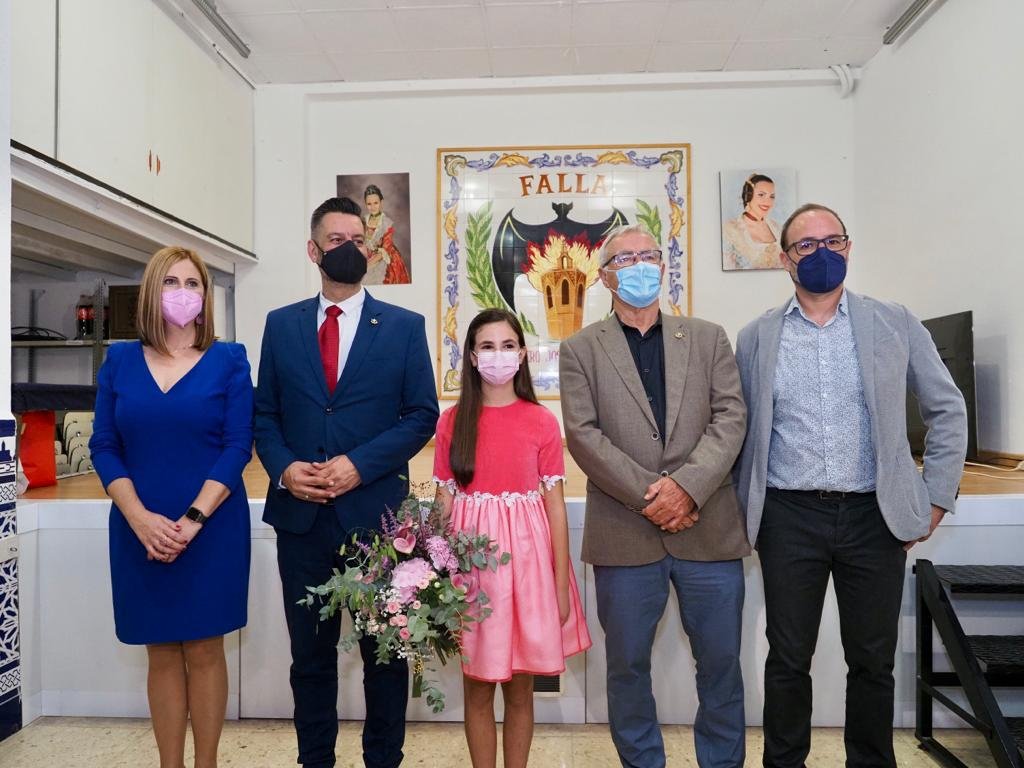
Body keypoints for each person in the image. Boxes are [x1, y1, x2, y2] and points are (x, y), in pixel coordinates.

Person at [732, 203, 968, 768]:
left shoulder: (894, 321)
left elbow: (947, 408)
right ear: (785, 259)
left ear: (848, 247)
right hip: (788, 517)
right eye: (806, 245)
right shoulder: (757, 336)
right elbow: (739, 429)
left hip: (873, 517)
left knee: (872, 661)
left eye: (833, 241)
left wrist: (936, 497)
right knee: (788, 658)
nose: (822, 253)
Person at [254, 196, 438, 768]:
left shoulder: (404, 327)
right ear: (314, 251)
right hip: (302, 521)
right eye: (337, 240)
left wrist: (359, 464)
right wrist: (285, 469)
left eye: (358, 240)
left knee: (385, 657)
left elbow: (421, 415)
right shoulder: (281, 325)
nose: (350, 249)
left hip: (377, 522)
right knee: (309, 660)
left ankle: (383, 760)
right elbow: (265, 415)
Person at [559, 223, 749, 768]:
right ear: (605, 277)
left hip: (708, 529)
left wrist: (686, 488)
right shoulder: (579, 349)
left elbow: (731, 418)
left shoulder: (708, 337)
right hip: (624, 534)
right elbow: (584, 435)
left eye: (648, 255)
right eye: (625, 259)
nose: (639, 265)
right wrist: (653, 498)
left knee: (721, 665)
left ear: (663, 268)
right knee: (626, 669)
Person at [90, 246, 254, 768]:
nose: (183, 292)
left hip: (211, 526)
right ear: (150, 293)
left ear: (206, 296)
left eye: (193, 283)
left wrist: (193, 520)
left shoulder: (230, 360)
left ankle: (206, 763)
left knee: (205, 648)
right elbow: (104, 445)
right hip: (138, 526)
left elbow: (238, 446)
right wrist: (139, 518)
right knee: (159, 649)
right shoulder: (119, 361)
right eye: (171, 282)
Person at [433, 308, 591, 768]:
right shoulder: (452, 422)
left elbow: (555, 507)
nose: (497, 355)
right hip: (471, 571)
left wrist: (560, 585)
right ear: (471, 356)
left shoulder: (541, 422)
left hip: (527, 569)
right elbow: (443, 504)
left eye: (507, 346)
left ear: (522, 355)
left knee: (521, 688)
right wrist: (431, 576)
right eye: (487, 346)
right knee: (478, 686)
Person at [722, 173, 782, 270]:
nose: (768, 202)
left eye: (772, 196)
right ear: (748, 196)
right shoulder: (731, 230)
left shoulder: (778, 228)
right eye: (761, 195)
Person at [363, 184, 411, 285]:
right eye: (369, 204)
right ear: (365, 204)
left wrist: (366, 265)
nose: (372, 207)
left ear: (381, 202)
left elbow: (384, 251)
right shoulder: (363, 220)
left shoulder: (386, 223)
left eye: (376, 203)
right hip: (366, 255)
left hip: (384, 257)